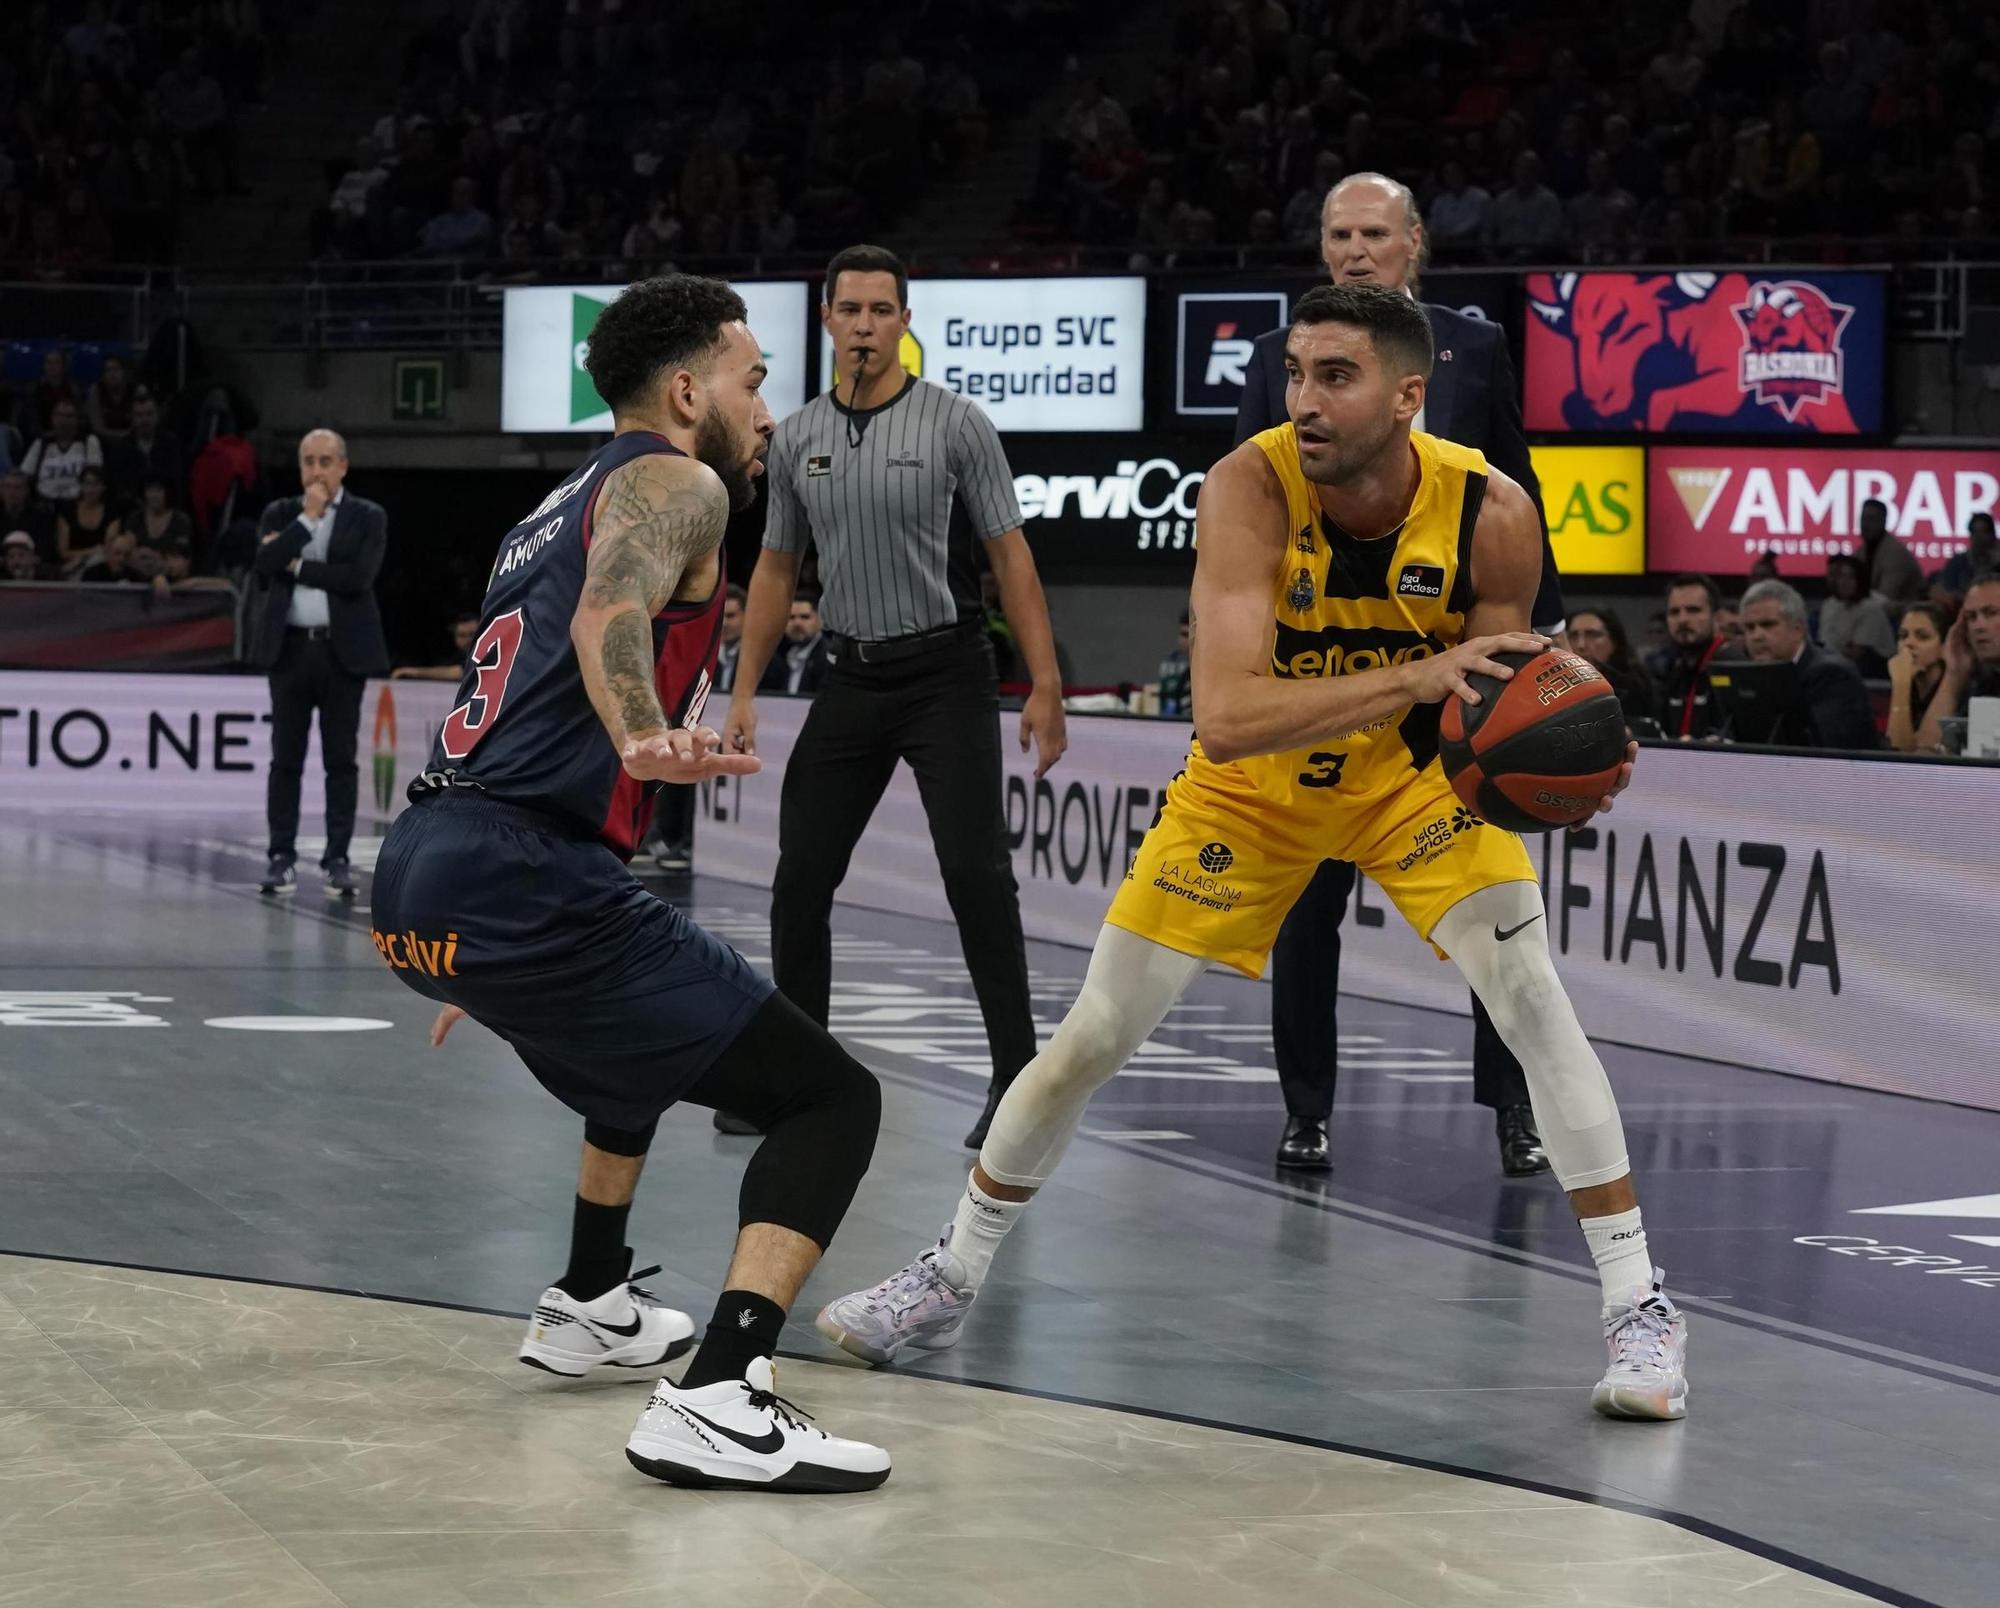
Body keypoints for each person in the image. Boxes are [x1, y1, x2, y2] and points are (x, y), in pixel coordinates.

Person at [819, 285, 1687, 1423]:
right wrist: (1414, 677)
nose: (1304, 400)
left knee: (1529, 995)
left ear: (1407, 395)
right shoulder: (1246, 485)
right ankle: (947, 1273)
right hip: (1253, 788)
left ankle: (1639, 1309)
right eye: (1294, 373)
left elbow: (1487, 713)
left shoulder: (1492, 512)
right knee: (1093, 1033)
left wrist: (1568, 768)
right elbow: (1224, 716)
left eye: (1336, 375)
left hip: (1407, 785)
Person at [368, 273, 890, 1493]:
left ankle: (590, 1297)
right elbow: (613, 608)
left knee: (637, 1057)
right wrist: (647, 729)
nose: (768, 411)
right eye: (755, 381)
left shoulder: (544, 507)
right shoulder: (678, 479)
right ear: (685, 389)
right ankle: (721, 1392)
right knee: (829, 1100)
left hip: (433, 872)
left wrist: (485, 944)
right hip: (515, 871)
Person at [1233, 173, 1563, 1176]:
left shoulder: (1475, 346)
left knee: (1489, 906)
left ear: (1412, 241)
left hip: (1454, 666)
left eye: (1372, 233)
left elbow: (1515, 486)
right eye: (1337, 234)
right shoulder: (1274, 361)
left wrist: (1543, 626)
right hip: (1328, 666)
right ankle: (1305, 1110)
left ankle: (1513, 1108)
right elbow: (1248, 497)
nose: (1353, 251)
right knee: (1308, 905)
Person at [724, 245, 1068, 1152]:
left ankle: (1016, 1079)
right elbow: (772, 568)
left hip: (948, 673)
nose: (867, 326)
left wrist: (1045, 686)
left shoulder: (958, 425)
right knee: (800, 878)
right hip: (852, 675)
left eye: (884, 310)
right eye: (853, 311)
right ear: (828, 321)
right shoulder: (795, 437)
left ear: (905, 322)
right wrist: (744, 689)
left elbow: (1012, 559)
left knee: (976, 876)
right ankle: (800, 1076)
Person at [248, 429, 391, 898]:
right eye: (308, 461)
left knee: (340, 761)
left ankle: (337, 860)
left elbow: (357, 577)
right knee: (285, 759)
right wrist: (306, 524)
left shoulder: (368, 516)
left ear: (343, 466)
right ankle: (280, 857)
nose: (317, 470)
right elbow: (265, 565)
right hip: (288, 651)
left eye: (326, 461)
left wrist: (297, 563)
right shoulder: (282, 512)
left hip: (340, 653)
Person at [1736, 578, 1878, 749]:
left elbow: (1822, 746)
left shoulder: (1832, 674)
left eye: (1768, 625)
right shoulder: (1750, 674)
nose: (1756, 636)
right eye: (1749, 628)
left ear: (1797, 630)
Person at [1917, 575, 2000, 750]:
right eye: (1971, 617)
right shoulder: (1984, 685)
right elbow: (1926, 752)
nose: (1978, 626)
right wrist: (1953, 675)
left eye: (1991, 613)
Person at [1654, 573, 1730, 738]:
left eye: (1693, 610)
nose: (1682, 620)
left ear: (1717, 617)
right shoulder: (1670, 668)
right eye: (1674, 612)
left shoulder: (1734, 666)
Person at [1567, 608, 1654, 724]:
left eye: (1593, 635)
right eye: (1573, 636)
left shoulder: (1637, 687)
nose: (1581, 645)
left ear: (1614, 642)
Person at [1885, 602, 1951, 752]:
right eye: (1903, 636)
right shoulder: (1905, 684)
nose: (1908, 643)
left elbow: (1904, 753)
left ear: (1944, 647)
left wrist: (1901, 684)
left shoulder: (1953, 692)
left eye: (1922, 637)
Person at [1817, 553, 1895, 675]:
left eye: (1850, 577)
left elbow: (1858, 653)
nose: (1843, 582)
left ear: (1860, 580)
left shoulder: (1870, 608)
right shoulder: (1830, 605)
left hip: (1872, 670)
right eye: (1841, 577)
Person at [20, 399, 103, 506]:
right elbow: (25, 475)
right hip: (44, 504)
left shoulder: (89, 441)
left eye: (69, 416)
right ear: (52, 418)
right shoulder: (41, 443)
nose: (63, 420)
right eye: (59, 415)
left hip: (78, 504)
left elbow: (96, 475)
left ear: (77, 419)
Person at [760, 591, 829, 695]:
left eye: (805, 617)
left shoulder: (830, 658)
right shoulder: (777, 657)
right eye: (791, 617)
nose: (797, 623)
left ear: (820, 621)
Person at [1857, 497, 1923, 606]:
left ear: (1883, 521)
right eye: (1863, 519)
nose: (1865, 524)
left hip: (1904, 618)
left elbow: (1885, 598)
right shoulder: (1861, 552)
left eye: (1871, 519)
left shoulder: (1896, 554)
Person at [391, 611, 481, 681]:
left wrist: (414, 672)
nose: (468, 640)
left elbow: (460, 672)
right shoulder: (453, 658)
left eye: (472, 634)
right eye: (461, 635)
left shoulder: (488, 655)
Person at [1936, 511, 1996, 598]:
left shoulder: (1997, 563)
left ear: (1992, 535)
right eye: (1975, 533)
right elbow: (1946, 589)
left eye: (1984, 532)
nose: (1979, 538)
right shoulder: (1958, 562)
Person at [713, 583, 748, 692]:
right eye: (720, 616)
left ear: (747, 616)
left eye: (730, 616)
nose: (723, 623)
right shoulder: (702, 658)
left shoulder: (763, 661)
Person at [1157, 610, 1191, 716]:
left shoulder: (1211, 669)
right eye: (1181, 635)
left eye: (1186, 635)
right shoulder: (1169, 664)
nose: (1182, 640)